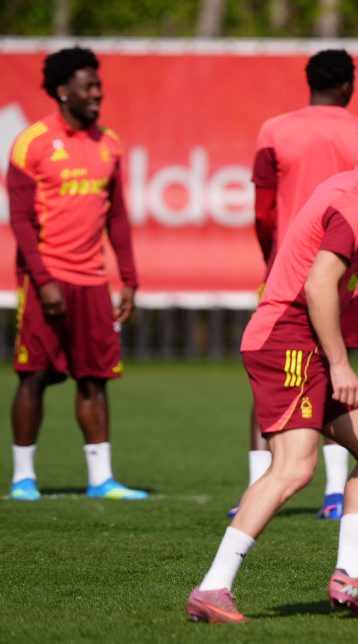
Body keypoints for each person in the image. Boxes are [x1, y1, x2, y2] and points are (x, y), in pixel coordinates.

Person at [186, 105, 358, 623]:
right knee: (294, 467)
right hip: (287, 341)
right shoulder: (357, 202)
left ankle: (351, 576)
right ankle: (213, 587)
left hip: (302, 341)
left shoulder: (349, 187)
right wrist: (340, 364)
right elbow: (318, 285)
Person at [238, 48, 358, 520]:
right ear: (348, 85)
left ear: (310, 82)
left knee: (275, 381)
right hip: (340, 270)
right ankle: (333, 492)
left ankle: (256, 485)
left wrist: (273, 259)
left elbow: (263, 211)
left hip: (285, 270)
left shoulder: (274, 129)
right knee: (333, 370)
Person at [6, 46, 145, 501]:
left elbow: (117, 217)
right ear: (64, 90)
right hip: (45, 279)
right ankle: (23, 478)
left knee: (94, 378)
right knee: (34, 376)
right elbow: (21, 220)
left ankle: (101, 479)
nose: (97, 94)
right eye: (88, 87)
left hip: (93, 282)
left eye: (99, 86)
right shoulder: (32, 142)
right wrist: (43, 280)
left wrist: (129, 279)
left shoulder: (110, 144)